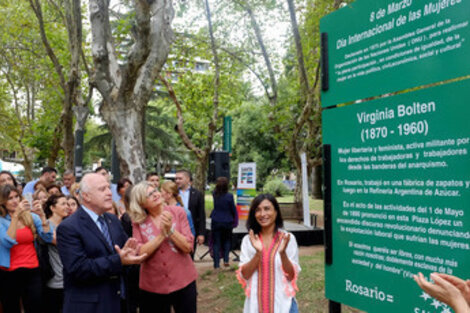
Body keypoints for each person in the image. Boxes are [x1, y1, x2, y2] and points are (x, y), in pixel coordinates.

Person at [56, 173, 146, 313]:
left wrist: (131, 256)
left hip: (119, 301)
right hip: (89, 306)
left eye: (109, 188)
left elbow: (124, 255)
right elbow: (78, 268)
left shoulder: (113, 220)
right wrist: (119, 260)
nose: (109, 193)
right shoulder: (69, 227)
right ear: (86, 196)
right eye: (102, 189)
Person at [129, 182, 197, 313]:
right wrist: (161, 235)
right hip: (152, 286)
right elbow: (140, 253)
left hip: (183, 281)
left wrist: (171, 231)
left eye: (154, 190)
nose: (154, 194)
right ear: (141, 203)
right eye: (148, 194)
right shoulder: (138, 221)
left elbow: (188, 247)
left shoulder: (178, 212)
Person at [237, 194, 300, 313]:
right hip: (255, 307)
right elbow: (244, 275)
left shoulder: (288, 239)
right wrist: (258, 253)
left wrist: (282, 254)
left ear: (276, 212)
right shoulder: (248, 240)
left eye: (267, 209)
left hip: (284, 307)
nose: (262, 214)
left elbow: (291, 276)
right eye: (258, 210)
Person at [0, 184, 53, 313]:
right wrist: (15, 217)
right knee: (11, 308)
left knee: (35, 308)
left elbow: (47, 238)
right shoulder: (1, 220)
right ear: (3, 202)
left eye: (16, 196)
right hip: (9, 272)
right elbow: (8, 242)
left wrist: (42, 216)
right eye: (10, 198)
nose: (14, 201)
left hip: (32, 269)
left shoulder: (31, 216)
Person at [43, 194, 69, 313]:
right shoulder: (46, 225)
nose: (67, 207)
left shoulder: (69, 225)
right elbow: (60, 243)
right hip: (54, 280)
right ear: (53, 208)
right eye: (63, 204)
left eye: (67, 204)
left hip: (70, 278)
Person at [175, 169, 205, 254]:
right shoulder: (173, 193)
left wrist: (201, 233)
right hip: (176, 229)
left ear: (188, 179)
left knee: (190, 255)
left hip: (191, 229)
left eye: (180, 178)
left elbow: (201, 215)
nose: (177, 181)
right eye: (176, 179)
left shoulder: (197, 194)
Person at [210, 177, 237, 269]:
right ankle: (226, 260)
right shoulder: (229, 196)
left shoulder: (214, 194)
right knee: (227, 241)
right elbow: (233, 209)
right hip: (227, 220)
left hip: (216, 219)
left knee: (216, 242)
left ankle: (216, 264)